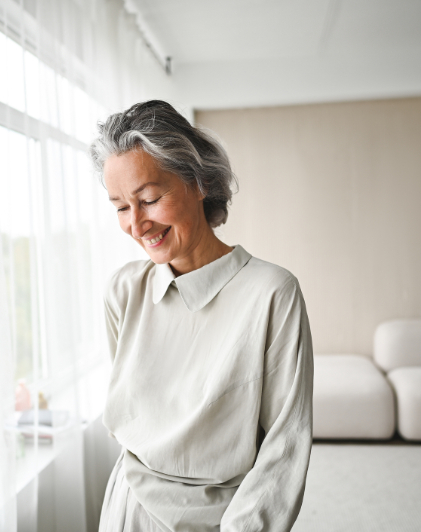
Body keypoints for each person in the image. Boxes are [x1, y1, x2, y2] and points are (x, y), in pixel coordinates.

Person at [90, 100, 313, 532]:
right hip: (127, 508)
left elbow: (284, 448)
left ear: (198, 183)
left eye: (149, 199)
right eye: (120, 207)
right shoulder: (124, 290)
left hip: (223, 520)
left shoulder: (272, 293)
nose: (137, 225)